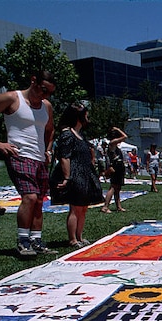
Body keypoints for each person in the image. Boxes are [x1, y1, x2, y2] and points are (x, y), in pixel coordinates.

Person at [0, 70, 57, 257]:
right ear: (33, 81)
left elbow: (50, 129)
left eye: (49, 93)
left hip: (39, 158)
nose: (45, 95)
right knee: (30, 197)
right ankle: (23, 241)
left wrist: (48, 150)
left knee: (38, 201)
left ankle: (36, 241)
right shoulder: (12, 98)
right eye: (43, 90)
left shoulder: (46, 106)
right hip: (19, 155)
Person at [49, 102, 104, 247]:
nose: (88, 117)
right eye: (85, 114)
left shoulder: (80, 135)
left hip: (85, 174)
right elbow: (64, 157)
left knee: (83, 207)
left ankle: (80, 236)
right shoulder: (67, 134)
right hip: (75, 174)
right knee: (75, 207)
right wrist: (67, 177)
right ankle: (72, 239)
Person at [101, 126, 128, 213]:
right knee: (113, 187)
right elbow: (125, 136)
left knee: (117, 188)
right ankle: (105, 206)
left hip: (119, 167)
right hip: (115, 166)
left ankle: (118, 206)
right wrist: (118, 129)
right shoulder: (112, 143)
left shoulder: (115, 145)